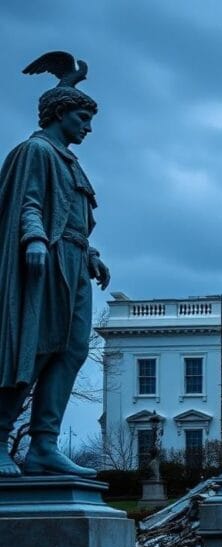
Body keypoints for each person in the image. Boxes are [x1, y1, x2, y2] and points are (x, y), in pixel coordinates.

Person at [0, 53, 110, 477]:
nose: (88, 126)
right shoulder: (36, 151)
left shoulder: (70, 162)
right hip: (46, 261)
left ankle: (44, 444)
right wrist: (33, 239)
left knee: (70, 352)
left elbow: (72, 216)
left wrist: (93, 255)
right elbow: (28, 202)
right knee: (36, 348)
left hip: (75, 264)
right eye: (82, 116)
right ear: (60, 113)